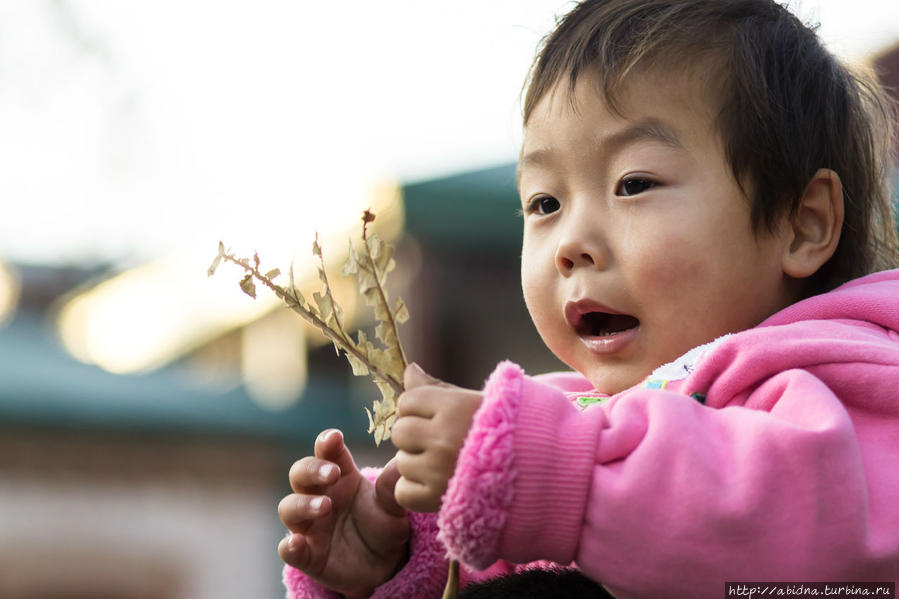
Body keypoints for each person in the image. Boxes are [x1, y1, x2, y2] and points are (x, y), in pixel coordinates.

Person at [277, 0, 899, 597]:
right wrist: (395, 558)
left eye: (633, 184)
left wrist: (557, 475)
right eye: (544, 203)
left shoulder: (844, 386)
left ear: (803, 223)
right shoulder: (570, 419)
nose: (571, 244)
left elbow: (819, 553)